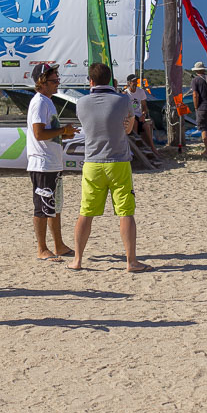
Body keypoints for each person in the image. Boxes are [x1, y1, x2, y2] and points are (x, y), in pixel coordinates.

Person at [69, 62, 151, 273]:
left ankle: (77, 260)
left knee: (85, 212)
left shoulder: (81, 103)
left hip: (93, 162)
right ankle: (131, 261)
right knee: (126, 212)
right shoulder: (123, 100)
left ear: (91, 81)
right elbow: (129, 128)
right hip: (118, 161)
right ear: (111, 80)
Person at [27, 62, 77, 261]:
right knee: (42, 207)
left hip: (52, 162)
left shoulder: (47, 101)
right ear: (42, 82)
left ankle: (59, 245)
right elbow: (39, 134)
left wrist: (64, 134)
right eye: (54, 80)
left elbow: (48, 133)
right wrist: (62, 130)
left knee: (54, 207)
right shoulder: (39, 102)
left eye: (58, 79)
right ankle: (42, 249)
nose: (58, 82)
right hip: (42, 164)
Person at [124, 73, 160, 158]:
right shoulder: (126, 93)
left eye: (136, 81)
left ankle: (152, 147)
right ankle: (136, 147)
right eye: (133, 82)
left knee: (146, 126)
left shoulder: (140, 91)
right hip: (130, 116)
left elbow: (144, 106)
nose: (135, 83)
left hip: (138, 115)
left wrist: (143, 115)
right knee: (135, 123)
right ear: (129, 83)